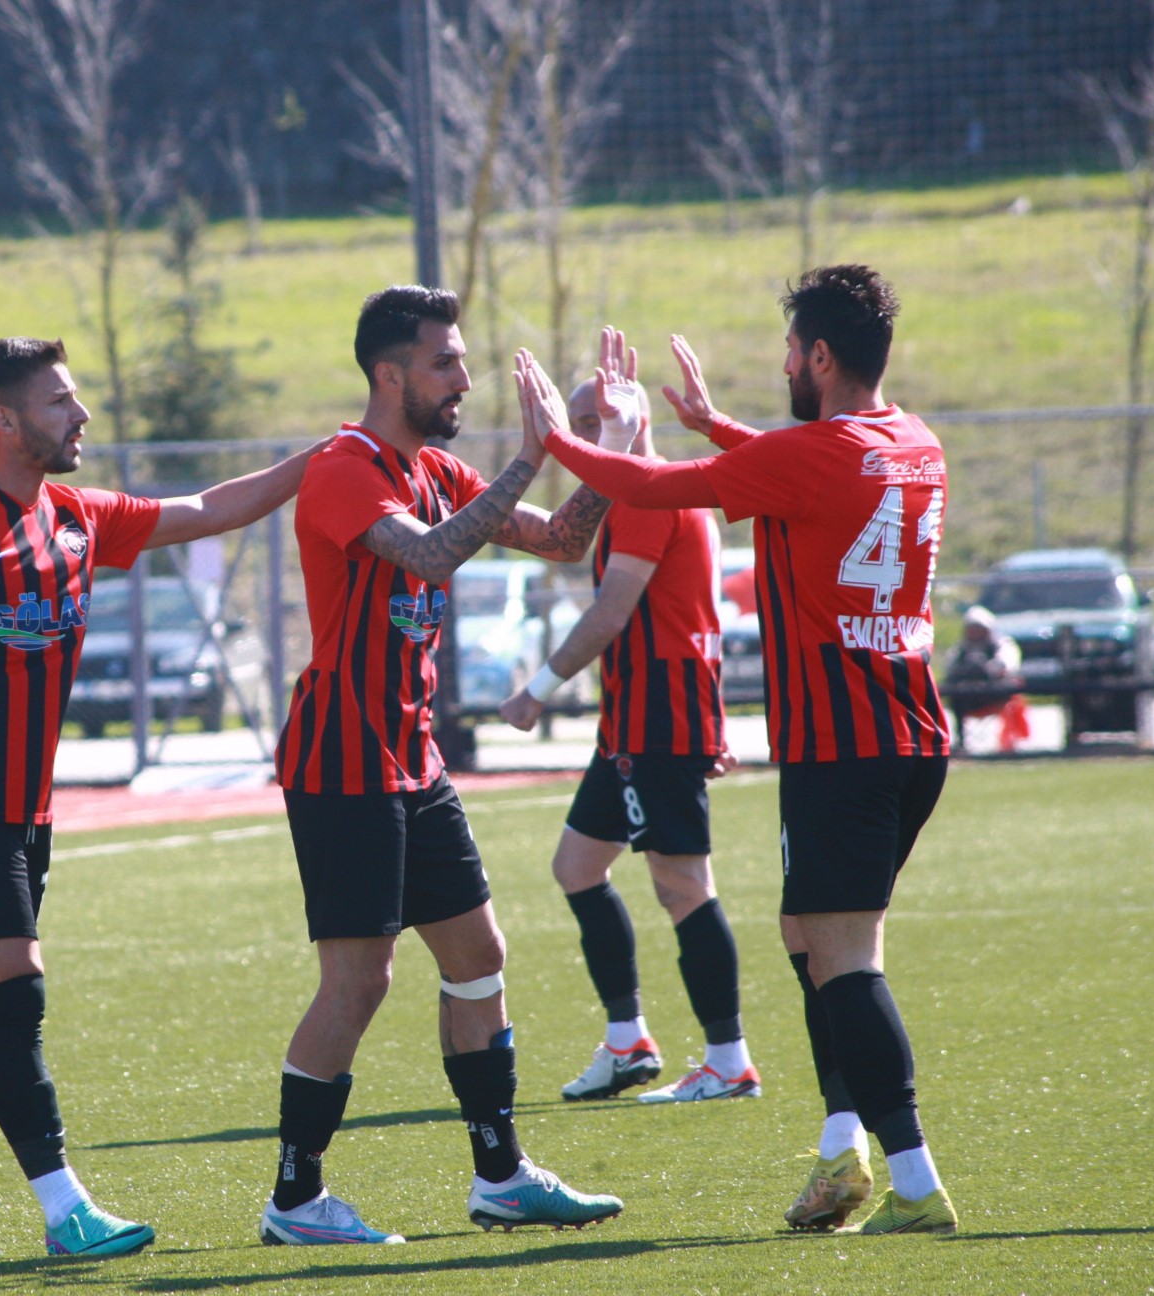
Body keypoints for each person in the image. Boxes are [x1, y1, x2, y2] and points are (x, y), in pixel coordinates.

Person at [0, 336, 319, 1262]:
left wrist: (317, 459)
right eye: (60, 402)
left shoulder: (77, 515)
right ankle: (65, 1212)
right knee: (19, 1000)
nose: (80, 415)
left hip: (26, 813)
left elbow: (208, 508)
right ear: (4, 420)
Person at [521, 265, 959, 1235]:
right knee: (808, 942)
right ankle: (840, 1155)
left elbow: (648, 482)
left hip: (843, 747)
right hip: (912, 731)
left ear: (819, 356)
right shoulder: (913, 441)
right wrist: (721, 426)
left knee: (846, 960)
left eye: (790, 352)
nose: (785, 367)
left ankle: (917, 1183)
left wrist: (556, 437)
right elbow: (803, 469)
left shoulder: (807, 457)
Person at [261, 285, 623, 1248]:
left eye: (461, 360)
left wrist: (614, 455)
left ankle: (501, 1178)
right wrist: (530, 456)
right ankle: (295, 1198)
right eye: (445, 362)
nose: (463, 377)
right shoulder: (346, 466)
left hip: (411, 761)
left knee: (479, 959)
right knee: (359, 983)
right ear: (390, 375)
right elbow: (426, 560)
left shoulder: (437, 469)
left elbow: (559, 540)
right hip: (341, 763)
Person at [497, 332, 757, 1107]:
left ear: (631, 413)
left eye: (592, 415)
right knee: (577, 866)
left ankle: (728, 1059)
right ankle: (627, 1041)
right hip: (636, 715)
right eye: (572, 418)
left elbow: (613, 613)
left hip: (659, 712)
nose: (577, 429)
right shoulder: (634, 492)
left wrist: (536, 689)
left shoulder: (649, 491)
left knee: (682, 884)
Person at [943, 606, 1030, 752]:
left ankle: (1010, 743)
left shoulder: (1001, 645)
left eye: (979, 628)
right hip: (968, 697)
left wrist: (983, 668)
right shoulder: (960, 649)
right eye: (971, 628)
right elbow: (950, 670)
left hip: (996, 695)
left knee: (1012, 690)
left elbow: (1007, 667)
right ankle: (960, 743)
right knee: (954, 696)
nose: (975, 632)